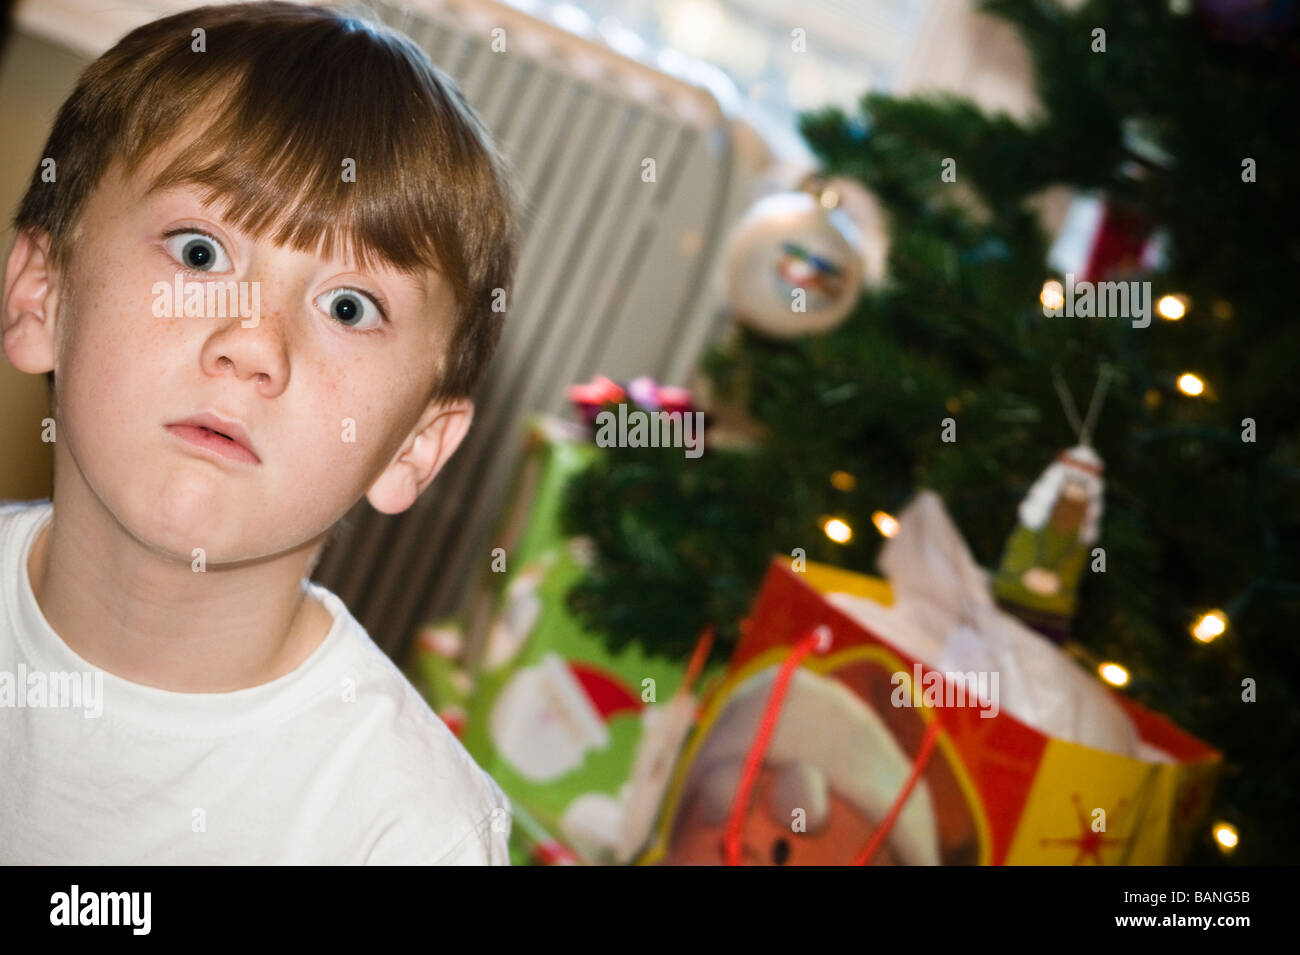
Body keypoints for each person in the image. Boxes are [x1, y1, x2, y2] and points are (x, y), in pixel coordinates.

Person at [0, 1, 521, 864]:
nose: (252, 345)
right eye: (200, 252)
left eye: (350, 307)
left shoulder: (413, 834)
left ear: (414, 448)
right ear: (41, 296)